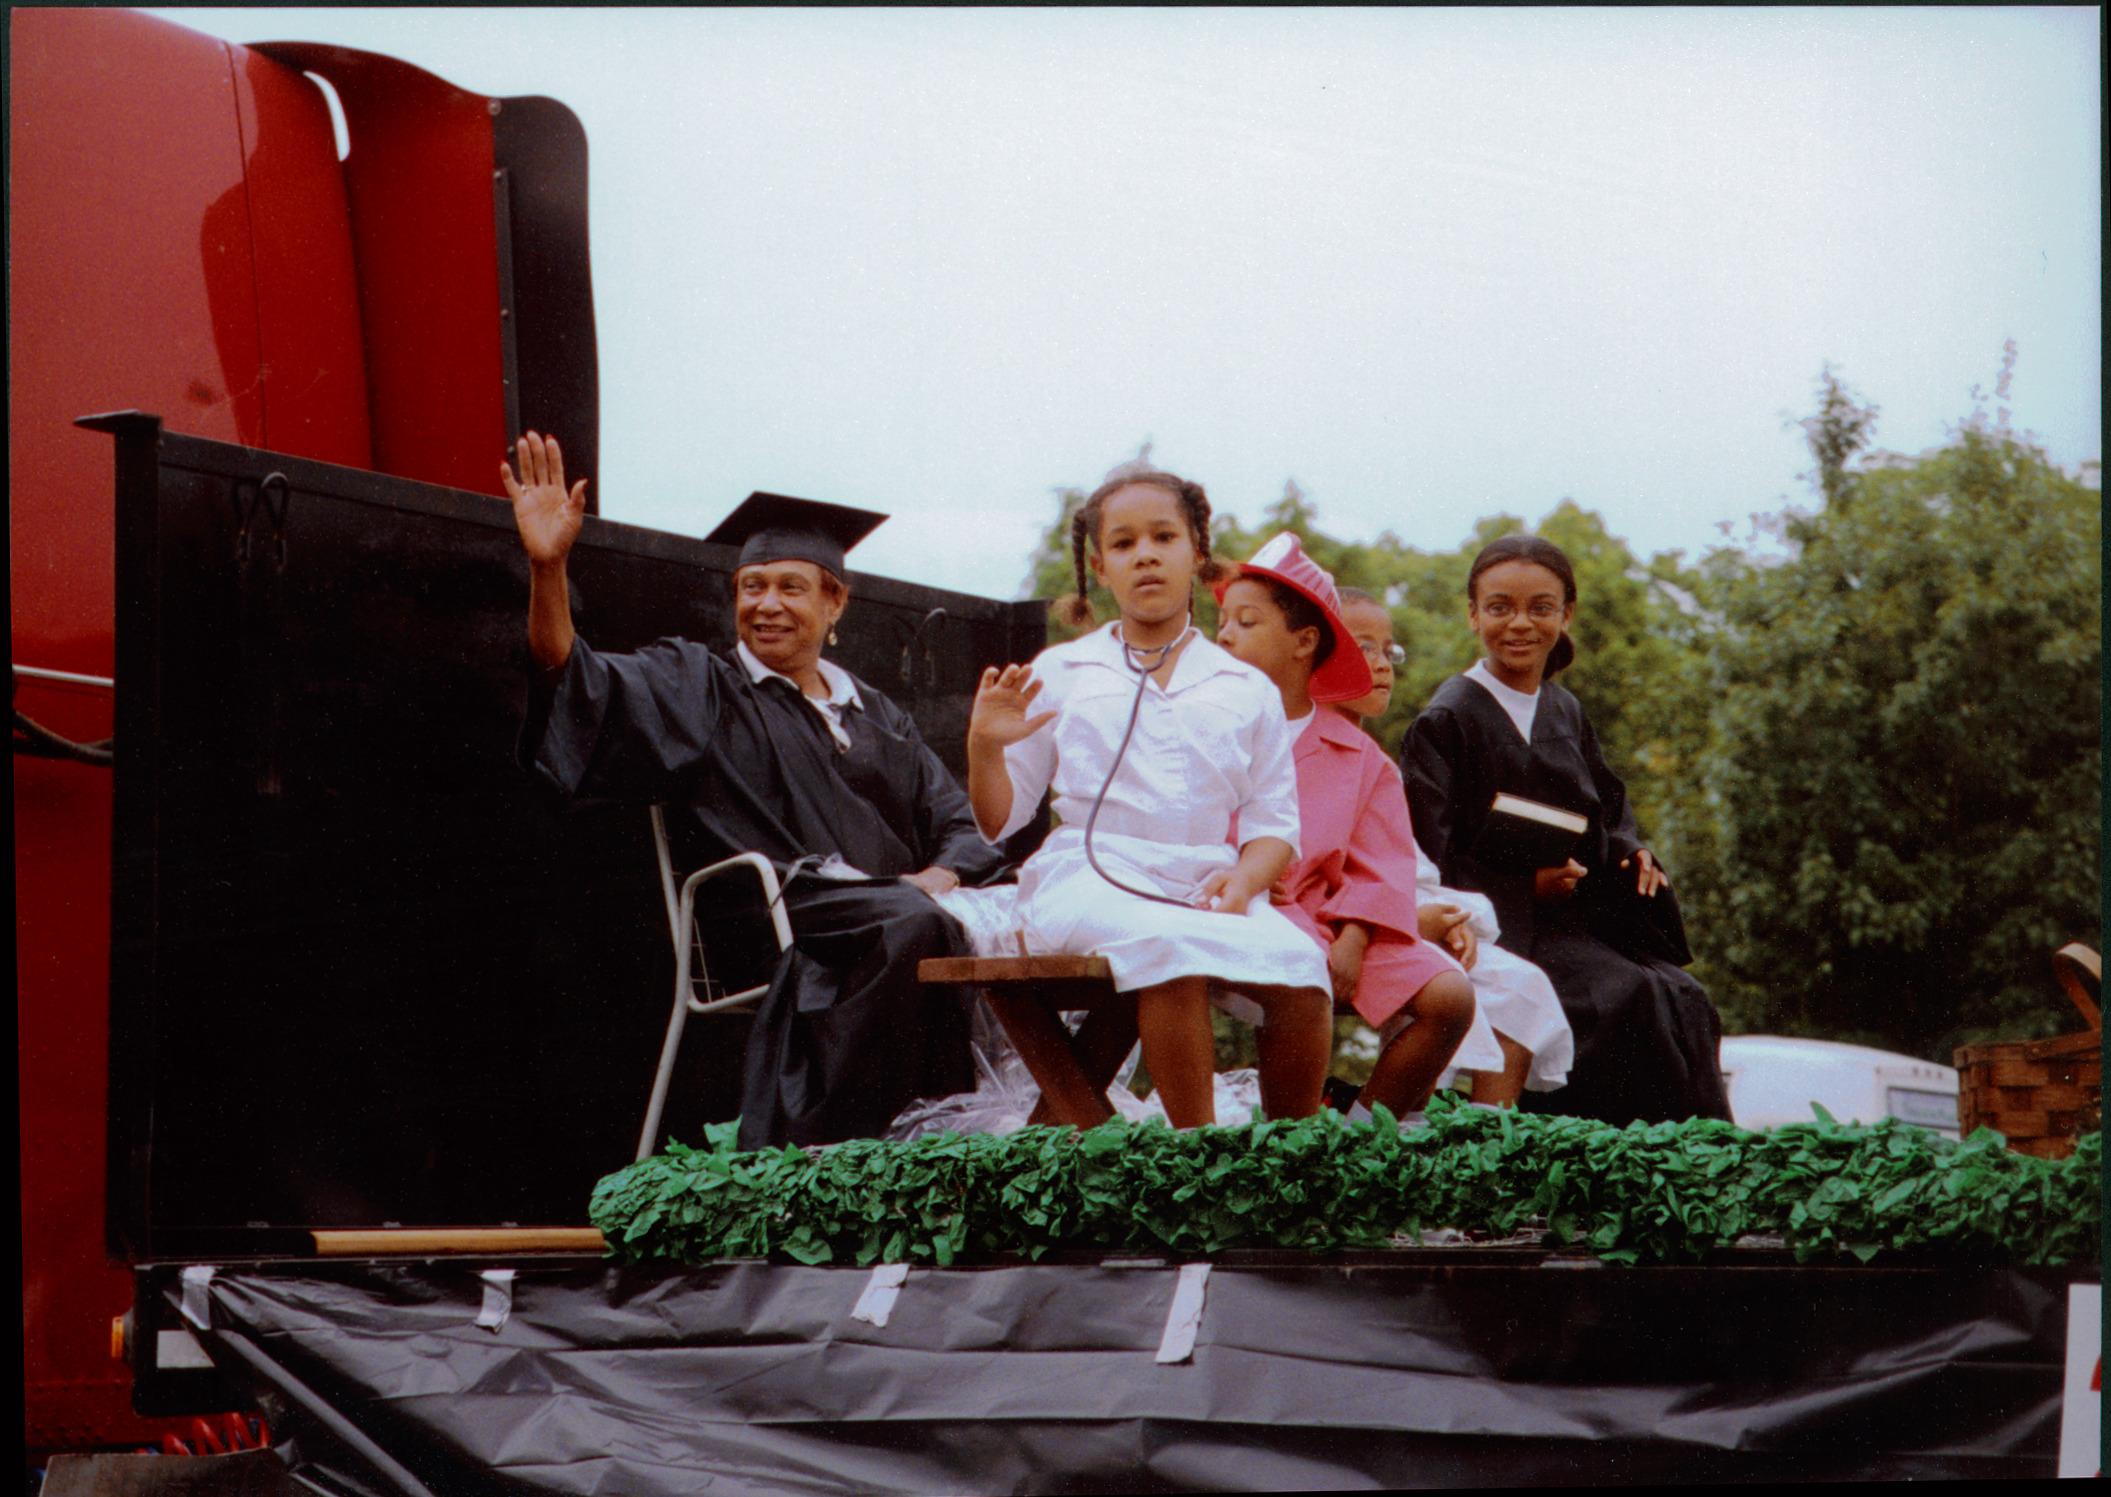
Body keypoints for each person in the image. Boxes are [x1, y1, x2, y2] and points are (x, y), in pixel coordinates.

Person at [501, 432, 1008, 1151]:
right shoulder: (700, 682)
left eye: (790, 588)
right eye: (751, 587)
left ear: (835, 602)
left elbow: (958, 823)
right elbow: (573, 675)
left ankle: (976, 1134)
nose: (766, 604)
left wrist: (940, 874)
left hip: (891, 907)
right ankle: (833, 1151)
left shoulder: (875, 713)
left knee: (1002, 914)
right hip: (772, 916)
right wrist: (547, 566)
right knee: (911, 922)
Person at [965, 464, 1335, 1128]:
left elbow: (1274, 820)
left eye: (1163, 536)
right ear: (1099, 567)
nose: (1145, 556)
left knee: (1303, 970)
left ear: (1197, 551)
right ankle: (1197, 1162)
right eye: (1124, 542)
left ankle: (1291, 1163)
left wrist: (1245, 879)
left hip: (1201, 876)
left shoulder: (1242, 684)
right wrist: (985, 746)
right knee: (1169, 948)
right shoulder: (1061, 671)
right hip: (1086, 874)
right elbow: (1000, 819)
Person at [1400, 535, 1731, 1124]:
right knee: (1621, 997)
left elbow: (1607, 813)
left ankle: (1695, 1164)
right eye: (1500, 607)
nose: (1520, 624)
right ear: (1472, 613)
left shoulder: (1564, 710)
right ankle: (1594, 1168)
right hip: (1502, 931)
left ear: (1566, 614)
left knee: (1685, 996)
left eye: (1541, 607)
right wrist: (1524, 889)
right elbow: (1429, 855)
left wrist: (1633, 854)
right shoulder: (1447, 719)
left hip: (1576, 922)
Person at [1215, 537, 1504, 1120]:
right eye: (1221, 622)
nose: (1223, 636)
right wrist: (1242, 871)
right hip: (1230, 908)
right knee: (1294, 975)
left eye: (1245, 622)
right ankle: (1284, 1136)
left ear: (1304, 644)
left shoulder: (1362, 759)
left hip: (1332, 920)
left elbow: (1384, 866)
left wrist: (1354, 935)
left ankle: (1357, 1139)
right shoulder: (1206, 729)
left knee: (1449, 996)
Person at [1334, 587, 1574, 1106]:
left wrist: (1449, 917)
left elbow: (1403, 868)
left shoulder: (1374, 764)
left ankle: (1487, 1145)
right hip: (1338, 928)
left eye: (1387, 652)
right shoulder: (1298, 750)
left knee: (1519, 985)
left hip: (1395, 916)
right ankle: (1371, 1133)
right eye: (1362, 649)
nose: (1381, 667)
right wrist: (1412, 921)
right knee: (1441, 987)